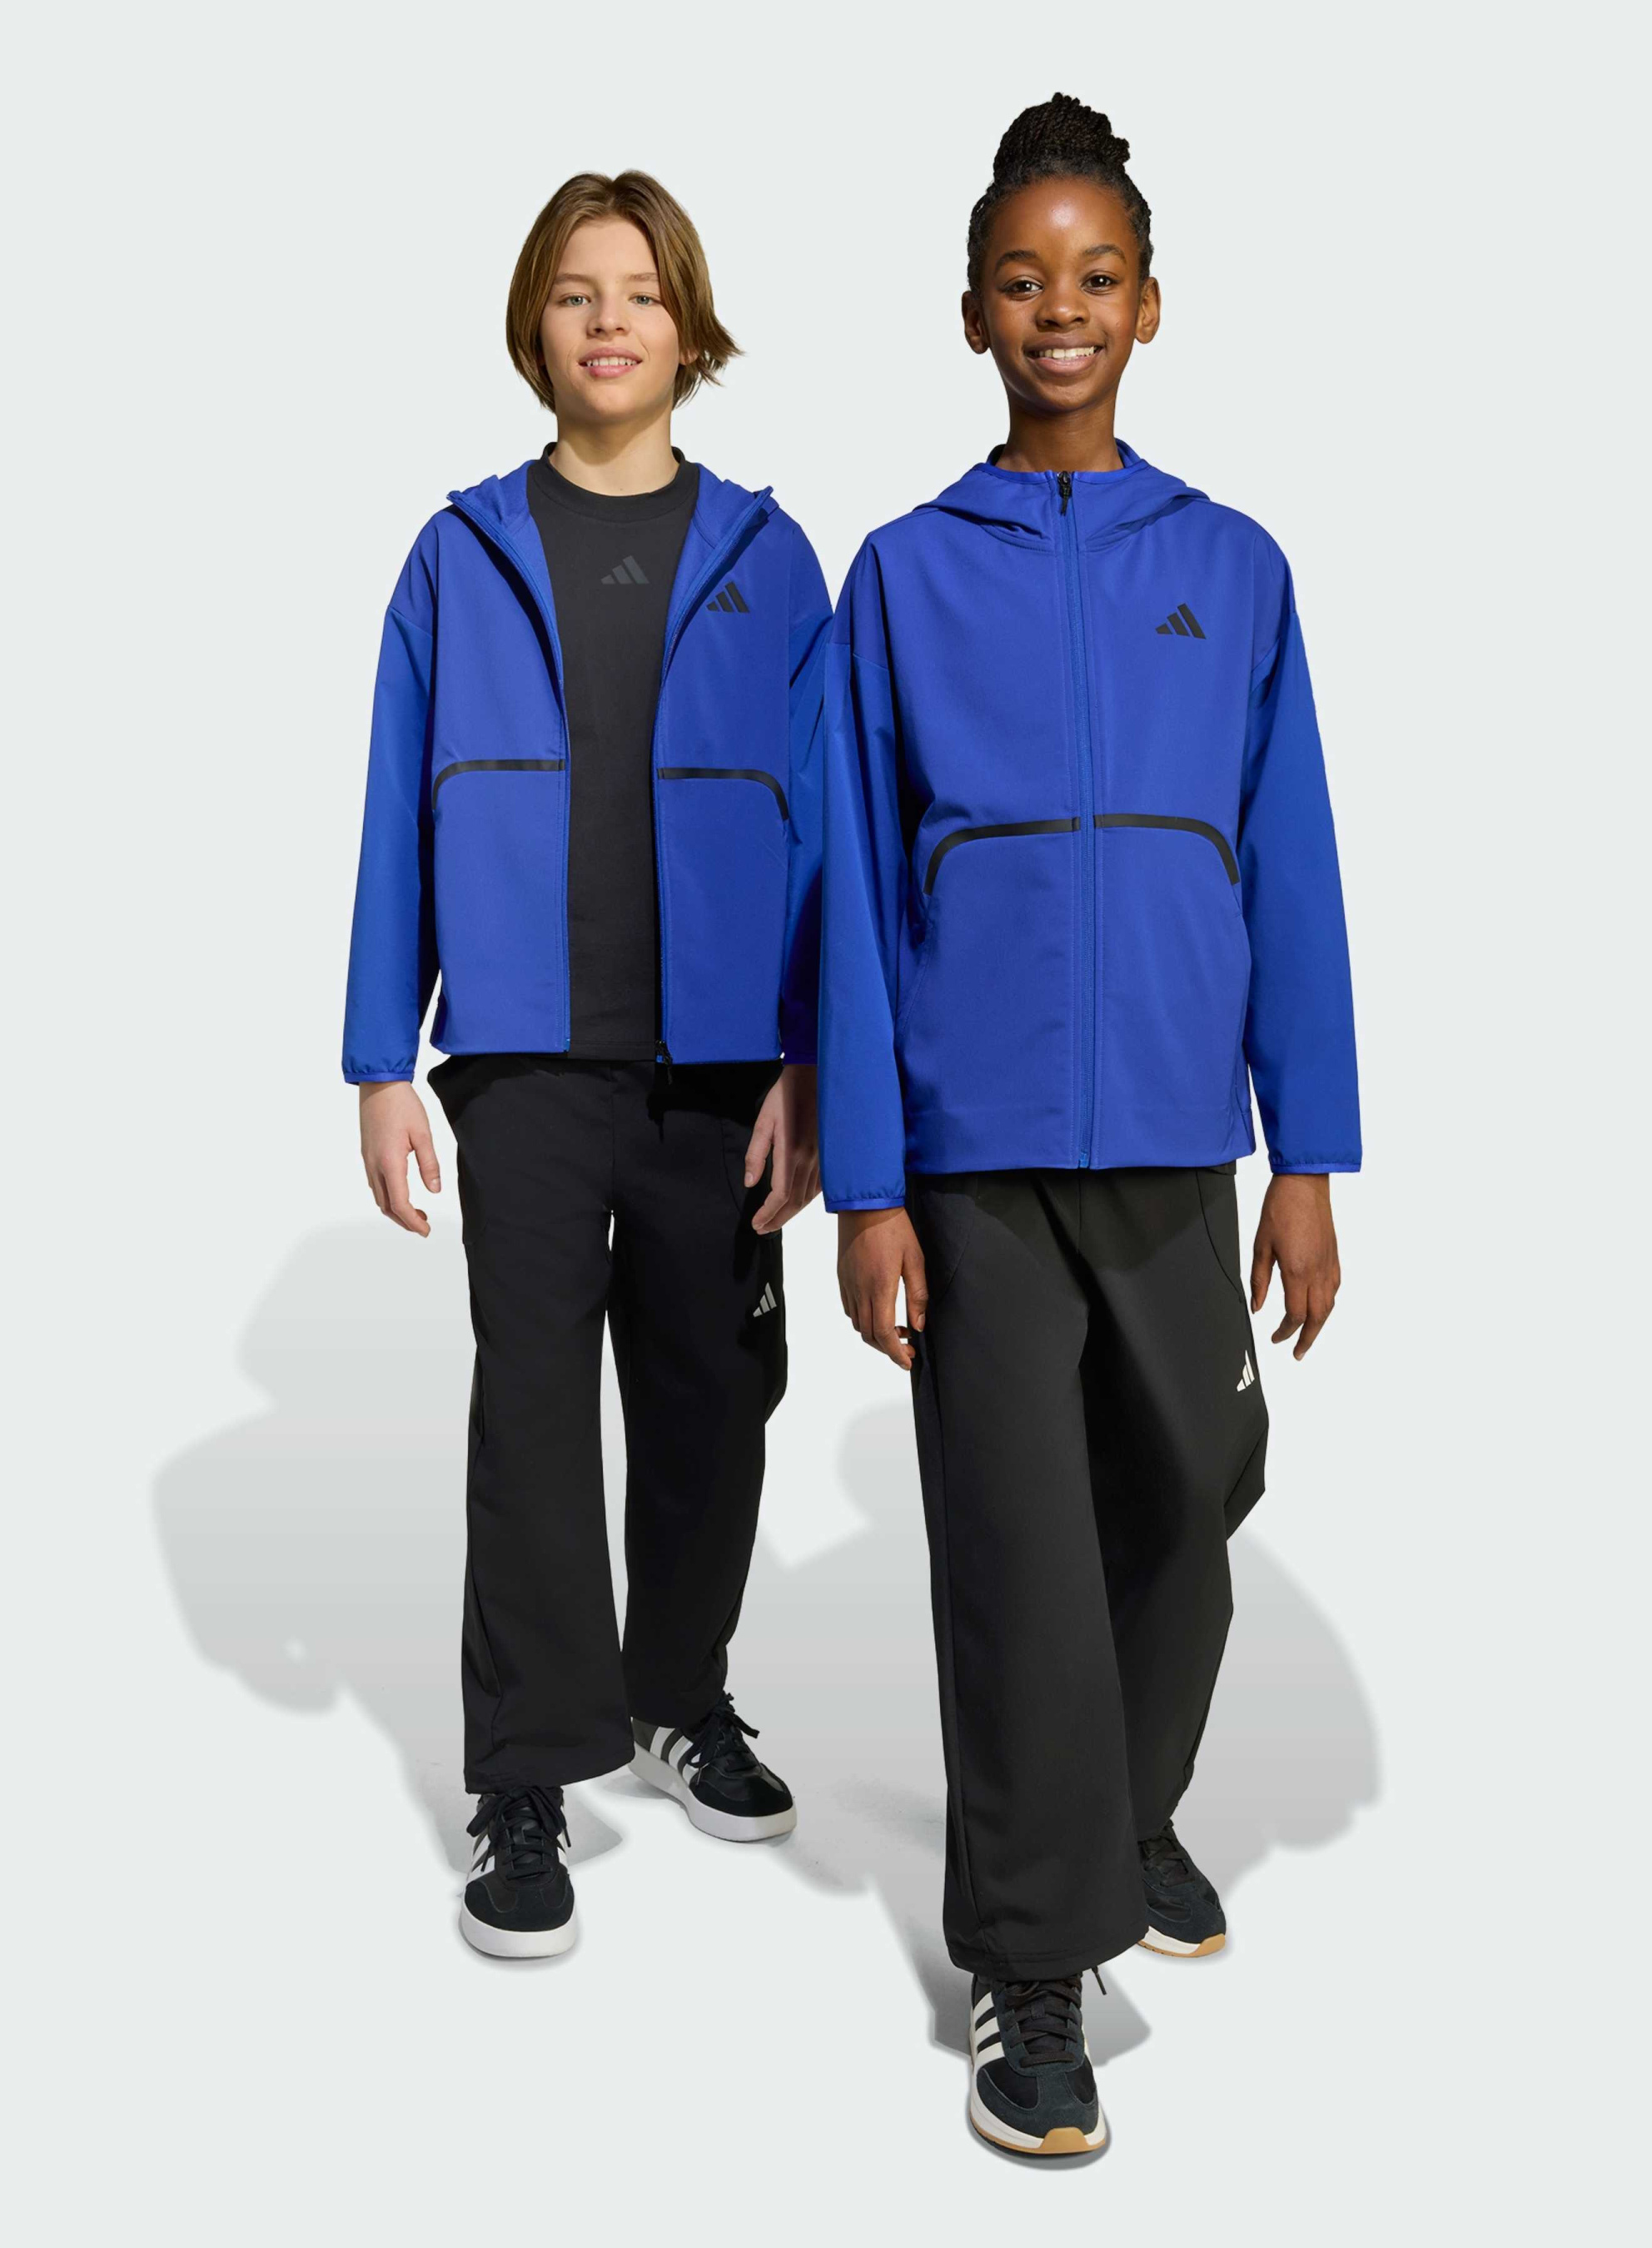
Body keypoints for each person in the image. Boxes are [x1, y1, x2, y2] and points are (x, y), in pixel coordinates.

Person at [819, 95, 1359, 2156]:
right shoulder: (900, 576)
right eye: (1022, 279)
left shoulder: (1228, 567)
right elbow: (853, 898)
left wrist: (1306, 1157)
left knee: (1193, 1489)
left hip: (1170, 1140)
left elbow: (1289, 872)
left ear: (1147, 305)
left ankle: (1123, 1805)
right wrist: (868, 1185)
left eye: (1095, 274)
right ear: (972, 314)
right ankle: (1030, 1962)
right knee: (1017, 1557)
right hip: (969, 1156)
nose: (1060, 307)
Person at [343, 170, 829, 1959]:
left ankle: (678, 1693)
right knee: (533, 1413)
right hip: (525, 1063)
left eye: (638, 290)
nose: (607, 319)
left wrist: (815, 1063)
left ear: (687, 328)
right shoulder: (458, 553)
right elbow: (392, 809)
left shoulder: (772, 558)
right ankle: (529, 1767)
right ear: (532, 328)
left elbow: (830, 835)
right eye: (572, 292)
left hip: (723, 1069)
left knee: (715, 1393)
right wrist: (378, 1058)